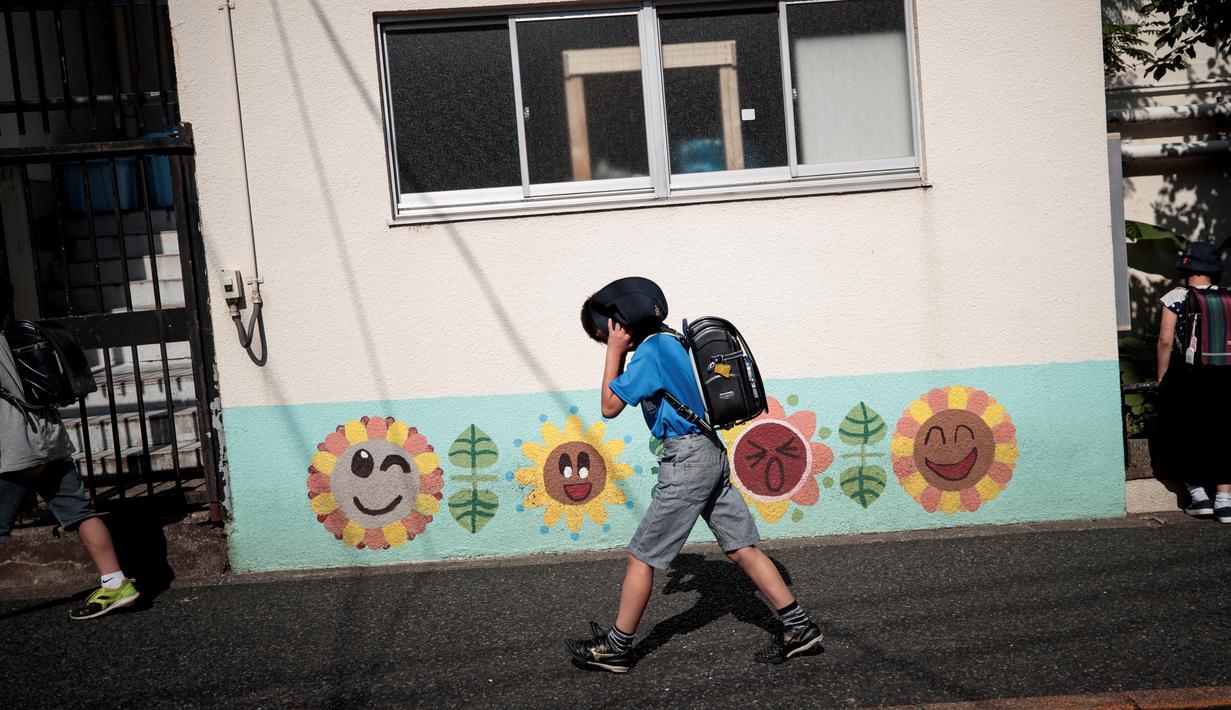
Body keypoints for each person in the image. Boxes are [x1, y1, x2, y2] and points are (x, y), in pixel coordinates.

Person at [566, 283, 822, 673]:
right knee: (741, 548)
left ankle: (616, 649)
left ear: (618, 324)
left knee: (641, 557)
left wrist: (613, 353)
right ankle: (800, 628)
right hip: (710, 451)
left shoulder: (649, 352)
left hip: (686, 458)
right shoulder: (674, 342)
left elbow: (609, 406)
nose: (604, 339)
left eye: (602, 333)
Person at [0, 273, 139, 618]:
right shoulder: (21, 335)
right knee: (81, 514)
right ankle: (115, 583)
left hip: (11, 450)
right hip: (50, 441)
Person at [1155, 239, 1231, 523]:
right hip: (1224, 372)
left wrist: (1161, 375)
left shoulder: (1175, 296)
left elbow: (1165, 338)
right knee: (1223, 430)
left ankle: (1198, 495)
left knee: (1185, 429)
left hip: (1187, 375)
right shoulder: (1227, 296)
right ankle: (1225, 499)